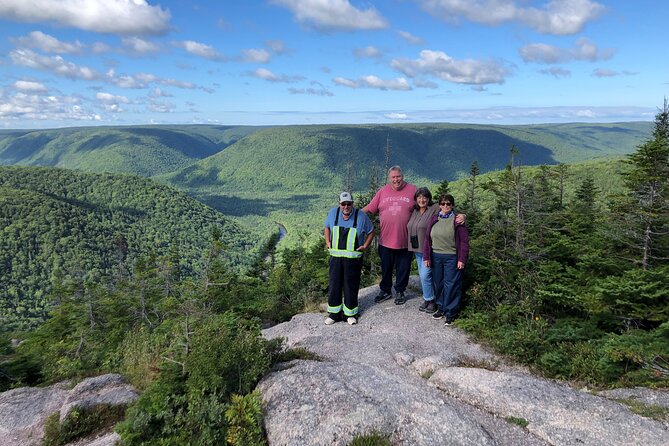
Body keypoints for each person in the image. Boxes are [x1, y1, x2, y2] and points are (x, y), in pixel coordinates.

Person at [362, 166, 417, 305]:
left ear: (402, 176)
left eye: (398, 176)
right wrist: (352, 215)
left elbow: (425, 207)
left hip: (405, 240)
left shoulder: (413, 190)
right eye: (393, 177)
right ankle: (386, 290)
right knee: (386, 267)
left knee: (403, 268)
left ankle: (400, 291)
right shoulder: (383, 191)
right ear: (389, 178)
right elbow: (370, 208)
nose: (396, 179)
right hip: (385, 240)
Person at [324, 192, 375, 325]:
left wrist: (365, 245)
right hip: (335, 258)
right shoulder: (333, 213)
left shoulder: (361, 216)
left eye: (349, 204)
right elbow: (327, 227)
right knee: (334, 284)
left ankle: (350, 313)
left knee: (351, 285)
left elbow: (371, 231)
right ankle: (334, 314)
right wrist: (327, 241)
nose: (346, 206)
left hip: (353, 259)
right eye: (343, 204)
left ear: (352, 203)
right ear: (339, 204)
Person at [422, 194, 469, 325]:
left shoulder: (457, 221)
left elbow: (464, 242)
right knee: (439, 283)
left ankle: (451, 312)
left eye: (448, 204)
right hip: (436, 256)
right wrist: (426, 257)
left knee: (451, 284)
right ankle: (441, 307)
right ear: (439, 205)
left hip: (452, 257)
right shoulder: (434, 219)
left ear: (452, 205)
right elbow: (427, 239)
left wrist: (462, 259)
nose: (445, 206)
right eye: (442, 204)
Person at [407, 187, 439, 313]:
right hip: (416, 249)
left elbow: (448, 208)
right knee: (422, 276)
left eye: (424, 197)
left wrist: (461, 216)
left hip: (427, 250)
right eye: (419, 197)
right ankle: (428, 299)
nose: (422, 200)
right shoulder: (414, 211)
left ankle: (431, 300)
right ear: (416, 199)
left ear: (429, 198)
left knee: (426, 276)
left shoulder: (433, 209)